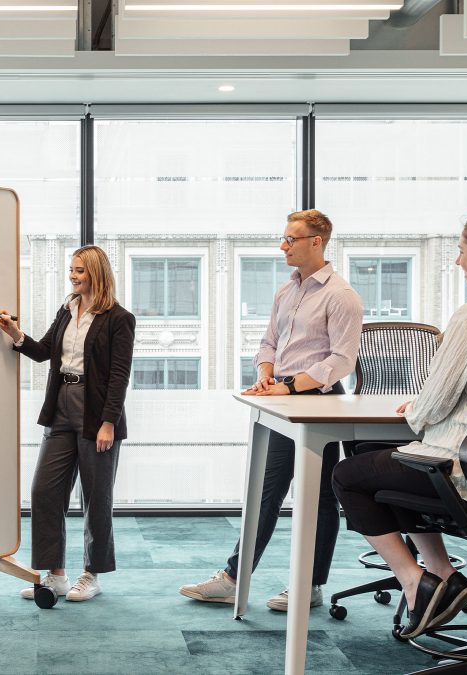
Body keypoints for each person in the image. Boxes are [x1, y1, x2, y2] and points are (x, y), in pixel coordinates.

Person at [331, 211, 467, 639]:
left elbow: (432, 403)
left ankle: (416, 583)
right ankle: (443, 576)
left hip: (465, 473)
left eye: (461, 251)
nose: (457, 261)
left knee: (349, 474)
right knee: (384, 464)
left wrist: (416, 408)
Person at [179, 209, 363, 611]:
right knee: (266, 492)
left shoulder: (341, 295)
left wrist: (290, 385)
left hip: (317, 401)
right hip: (280, 397)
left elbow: (342, 360)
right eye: (283, 238)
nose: (283, 246)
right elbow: (269, 342)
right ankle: (234, 576)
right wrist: (266, 374)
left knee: (317, 497)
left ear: (317, 242)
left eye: (291, 239)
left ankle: (309, 585)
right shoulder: (287, 291)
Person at [0, 245, 135, 603]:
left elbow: (119, 376)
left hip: (97, 412)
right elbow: (44, 352)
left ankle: (92, 574)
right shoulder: (67, 310)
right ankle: (55, 574)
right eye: (71, 270)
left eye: (80, 271)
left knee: (95, 498)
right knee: (44, 491)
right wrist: (15, 333)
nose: (73, 276)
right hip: (61, 406)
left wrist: (108, 423)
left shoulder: (119, 318)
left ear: (96, 274)